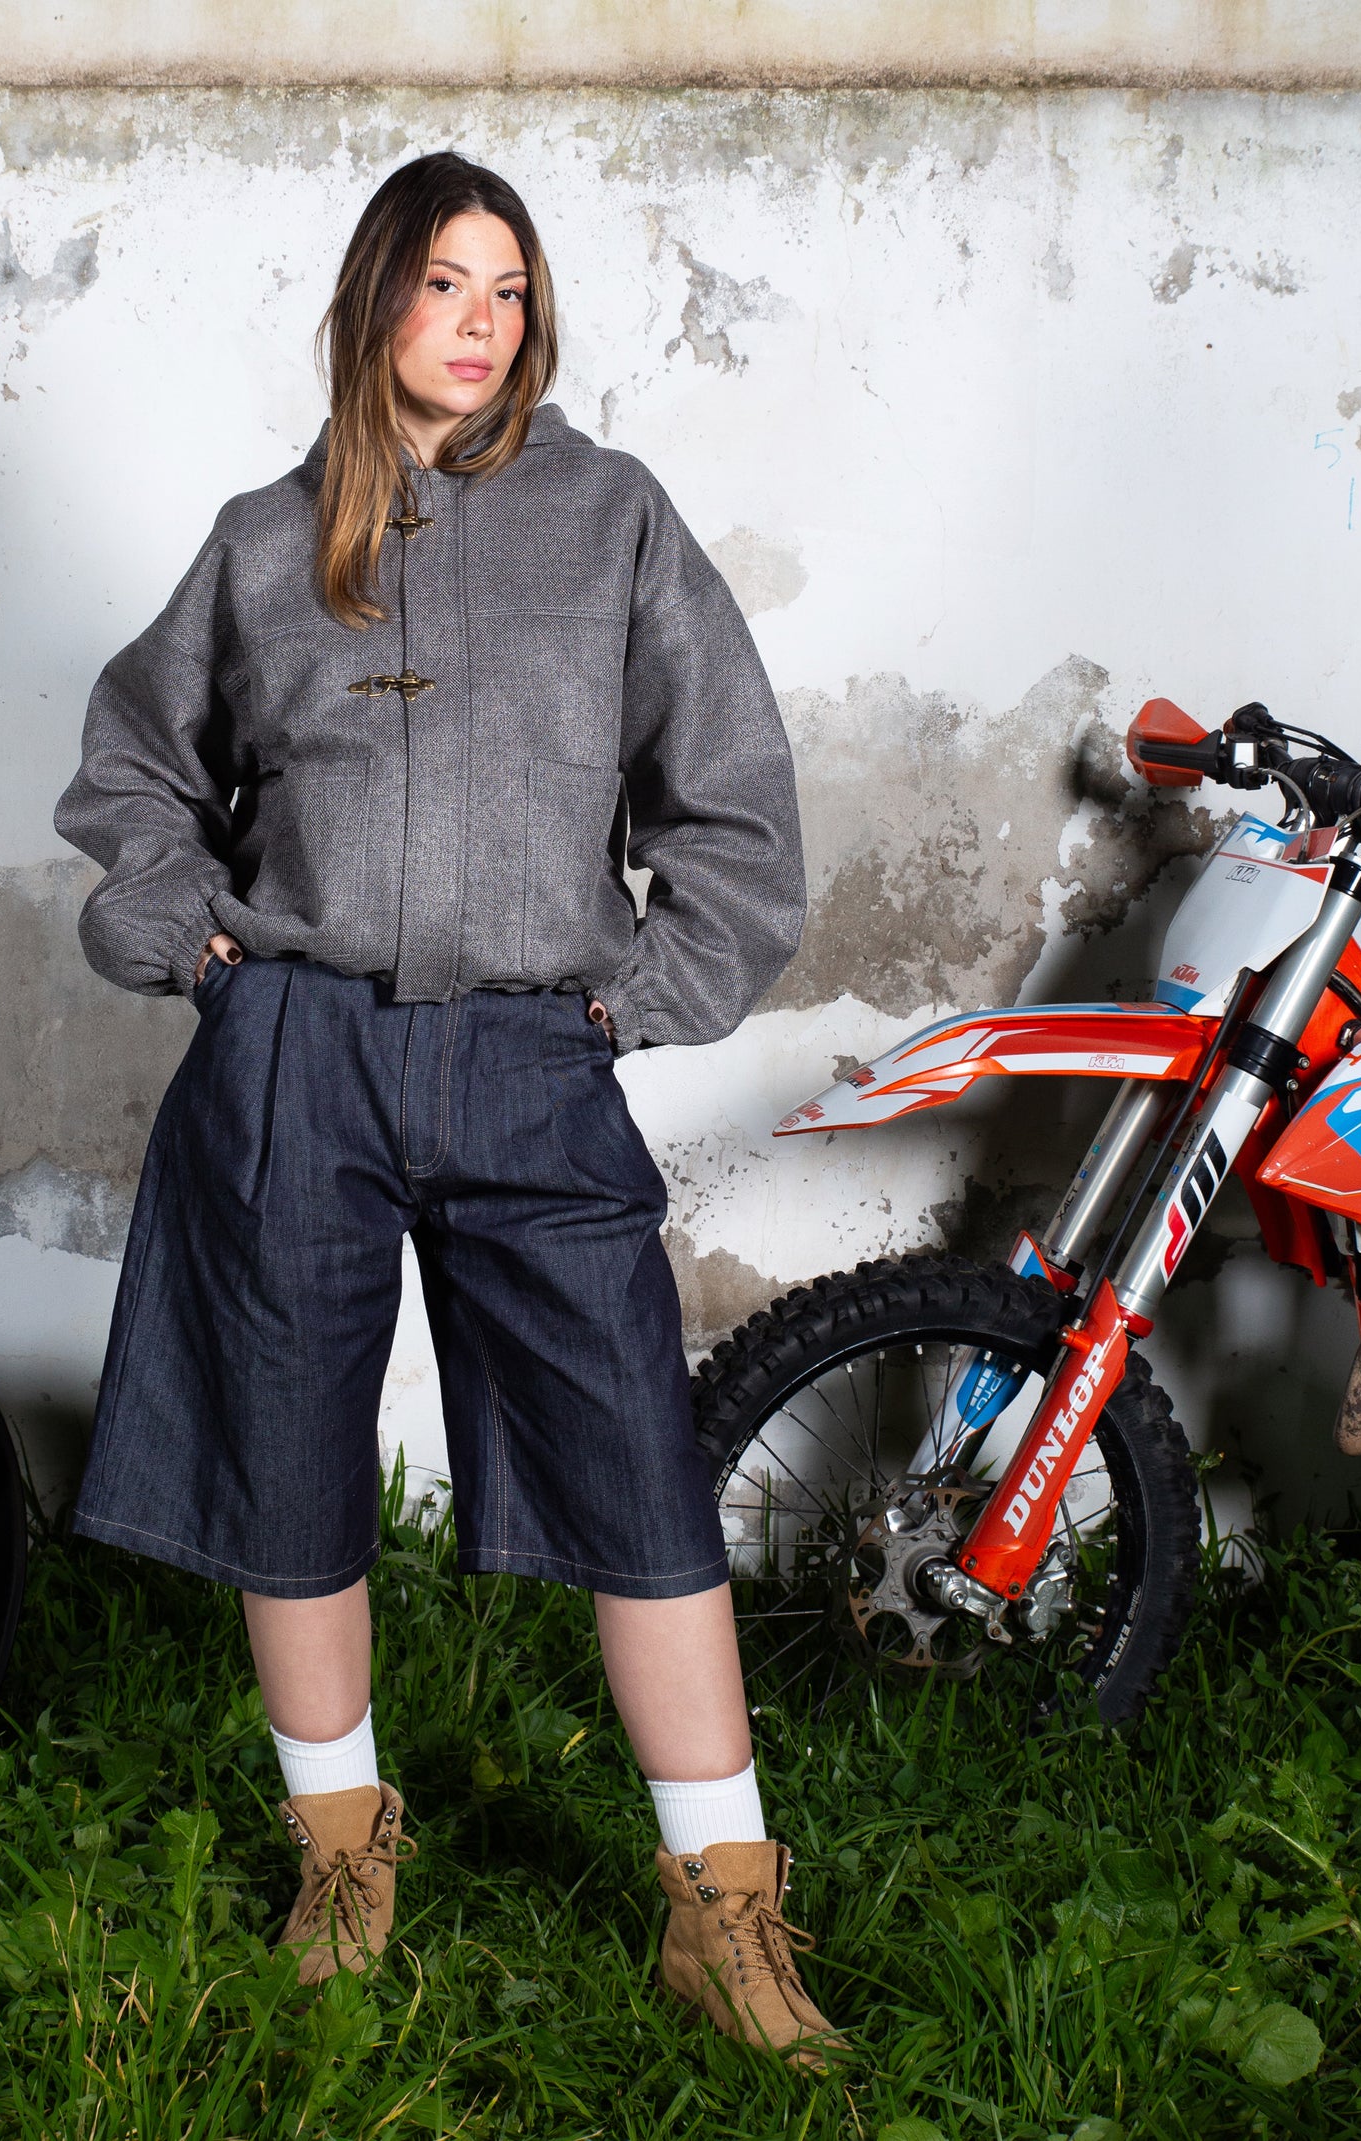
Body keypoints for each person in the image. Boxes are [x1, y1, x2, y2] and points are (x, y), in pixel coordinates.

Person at [55, 151, 832, 2062]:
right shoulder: (263, 540)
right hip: (292, 1057)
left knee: (637, 1466)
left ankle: (721, 1907)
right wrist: (199, 950)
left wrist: (628, 1000)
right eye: (442, 284)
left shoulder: (612, 518)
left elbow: (732, 803)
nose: (478, 324)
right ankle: (340, 1855)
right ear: (373, 299)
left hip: (527, 1059)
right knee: (289, 1456)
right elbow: (138, 774)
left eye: (508, 291)